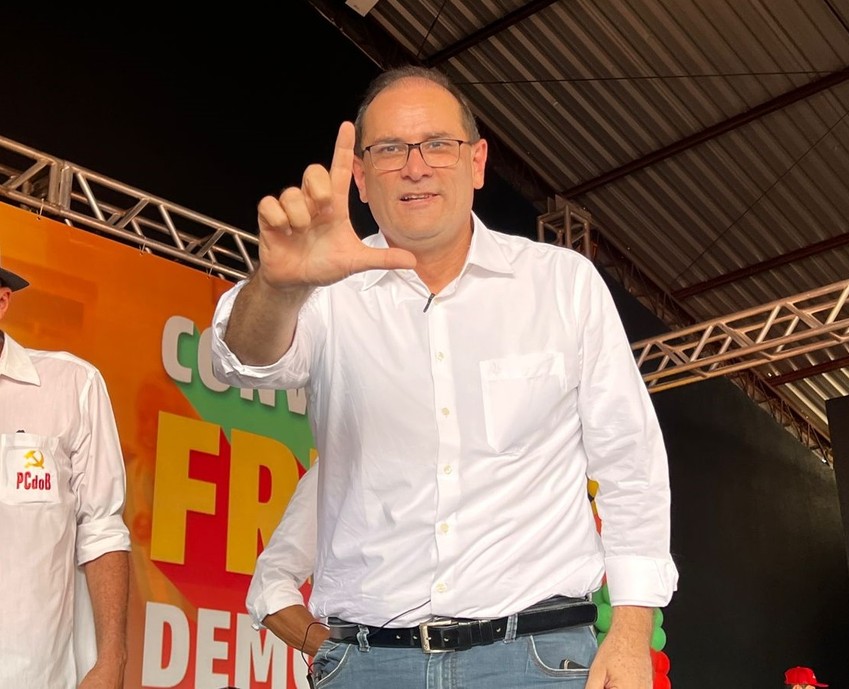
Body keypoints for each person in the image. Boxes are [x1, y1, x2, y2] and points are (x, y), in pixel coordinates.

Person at [211, 65, 677, 689]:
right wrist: (277, 285)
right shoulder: (324, 294)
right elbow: (244, 362)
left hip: (537, 659)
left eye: (438, 144)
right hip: (369, 663)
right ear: (361, 176)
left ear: (478, 163)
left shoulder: (562, 285)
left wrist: (629, 634)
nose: (415, 165)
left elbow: (630, 463)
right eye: (389, 150)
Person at [0, 259, 131, 688]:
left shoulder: (70, 385)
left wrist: (112, 658)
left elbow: (102, 528)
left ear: (3, 301)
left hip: (31, 671)